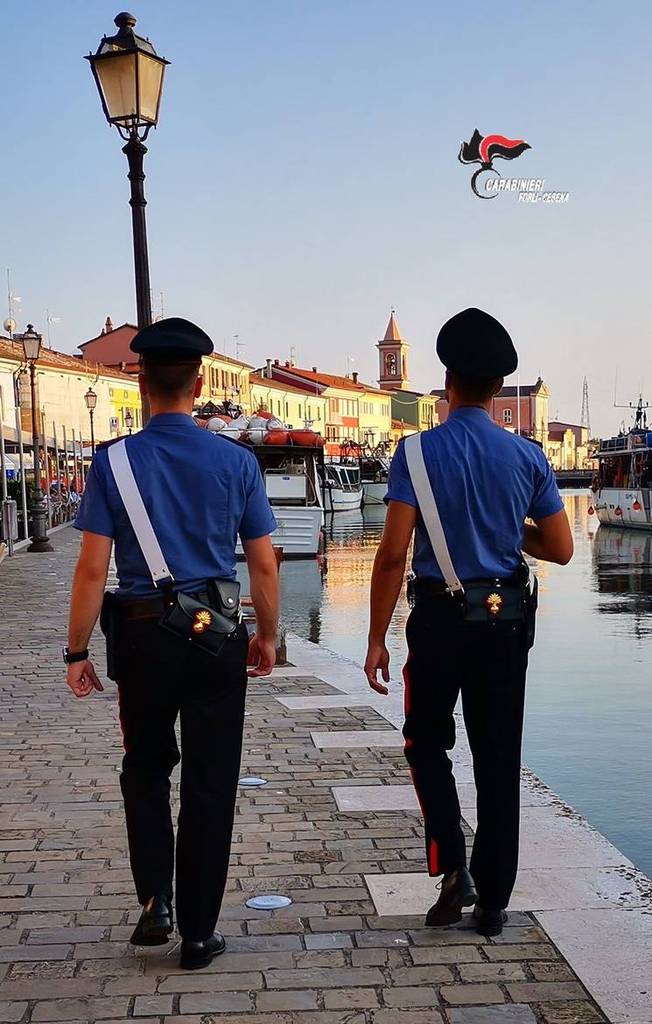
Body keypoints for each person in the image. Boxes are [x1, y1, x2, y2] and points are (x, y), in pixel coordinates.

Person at [64, 318, 279, 970]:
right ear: (198, 383)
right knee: (211, 781)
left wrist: (76, 652)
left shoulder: (113, 461)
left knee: (147, 764)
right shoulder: (238, 461)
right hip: (216, 635)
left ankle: (155, 900)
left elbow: (92, 569)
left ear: (140, 377)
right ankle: (198, 932)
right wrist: (267, 636)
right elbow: (264, 565)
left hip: (138, 633)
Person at [364, 308, 573, 937]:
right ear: (495, 389)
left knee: (426, 741)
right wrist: (512, 530)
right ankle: (494, 903)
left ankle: (452, 866)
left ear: (447, 383)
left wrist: (375, 636)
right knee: (498, 755)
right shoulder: (527, 456)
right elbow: (561, 548)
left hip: (437, 619)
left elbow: (395, 552)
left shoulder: (415, 453)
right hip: (504, 620)